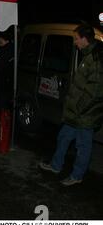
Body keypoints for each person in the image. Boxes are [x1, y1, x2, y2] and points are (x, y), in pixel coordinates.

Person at [39, 24, 103, 186]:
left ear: (84, 39)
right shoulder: (87, 55)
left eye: (76, 39)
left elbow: (94, 92)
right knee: (64, 137)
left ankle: (77, 175)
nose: (74, 42)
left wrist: (78, 108)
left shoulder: (95, 59)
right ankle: (56, 165)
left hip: (85, 114)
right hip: (76, 113)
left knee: (83, 146)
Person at [0, 31, 14, 137]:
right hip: (6, 82)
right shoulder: (9, 49)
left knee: (3, 108)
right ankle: (3, 129)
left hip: (5, 83)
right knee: (4, 108)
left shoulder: (7, 50)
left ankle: (2, 130)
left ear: (6, 40)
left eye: (1, 40)